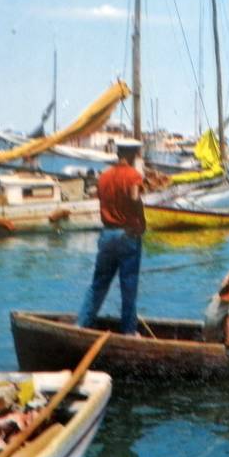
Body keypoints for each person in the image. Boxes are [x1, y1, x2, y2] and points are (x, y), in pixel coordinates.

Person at [77, 138, 146, 335]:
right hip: (127, 235)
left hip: (107, 235)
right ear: (133, 154)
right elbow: (134, 197)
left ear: (118, 154)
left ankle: (81, 325)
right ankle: (129, 332)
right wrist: (142, 221)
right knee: (128, 287)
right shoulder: (134, 176)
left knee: (98, 285)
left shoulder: (104, 176)